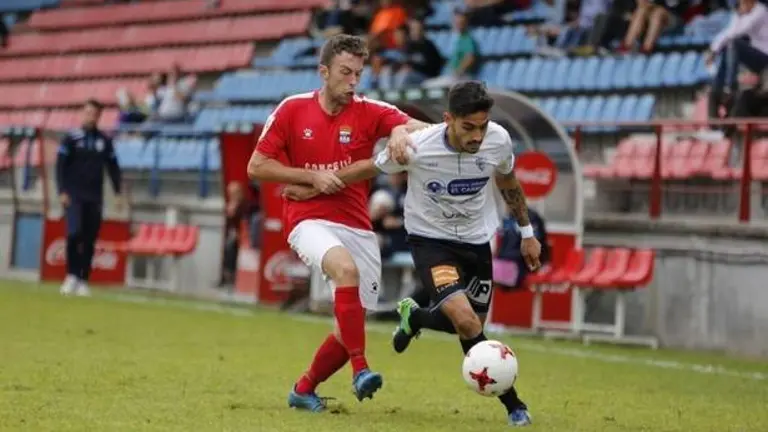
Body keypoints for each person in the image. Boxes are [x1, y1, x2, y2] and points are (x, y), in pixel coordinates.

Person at [283, 81, 540, 427]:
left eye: (482, 126)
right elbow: (366, 168)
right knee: (465, 322)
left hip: (477, 241)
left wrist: (527, 233)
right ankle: (514, 404)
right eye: (468, 127)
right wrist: (313, 184)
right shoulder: (417, 146)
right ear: (448, 119)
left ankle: (415, 317)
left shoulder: (499, 140)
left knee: (472, 324)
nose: (477, 136)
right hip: (431, 243)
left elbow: (508, 181)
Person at [246, 34, 429, 412]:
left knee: (349, 328)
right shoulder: (292, 109)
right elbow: (256, 166)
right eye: (345, 72)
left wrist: (397, 130)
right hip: (307, 219)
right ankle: (361, 370)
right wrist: (309, 178)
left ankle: (303, 388)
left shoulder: (369, 109)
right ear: (324, 71)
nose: (352, 81)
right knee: (346, 272)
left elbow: (422, 128)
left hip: (358, 226)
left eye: (358, 74)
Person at [56, 99, 123, 297]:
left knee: (90, 238)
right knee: (74, 233)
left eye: (94, 114)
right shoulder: (71, 138)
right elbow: (60, 166)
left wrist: (118, 192)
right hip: (74, 195)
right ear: (82, 113)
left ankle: (83, 279)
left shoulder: (105, 141)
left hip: (95, 195)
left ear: (99, 116)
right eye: (87, 113)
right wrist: (62, 190)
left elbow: (113, 167)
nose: (90, 117)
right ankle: (71, 275)